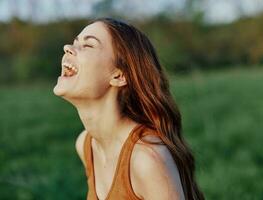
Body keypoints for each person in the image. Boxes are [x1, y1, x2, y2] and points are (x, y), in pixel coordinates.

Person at [53, 17, 205, 200]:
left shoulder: (147, 158)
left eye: (88, 45)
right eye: (75, 42)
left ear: (118, 76)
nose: (67, 48)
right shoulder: (86, 145)